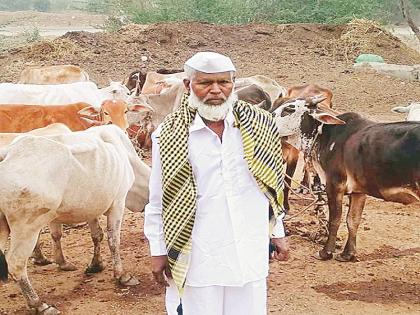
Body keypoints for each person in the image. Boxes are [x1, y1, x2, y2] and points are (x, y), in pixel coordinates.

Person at [144, 51, 289, 315]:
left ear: (234, 84)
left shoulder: (261, 125)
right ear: (188, 86)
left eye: (224, 82)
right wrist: (158, 249)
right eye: (205, 83)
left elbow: (270, 188)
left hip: (249, 247)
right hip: (198, 252)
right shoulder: (168, 133)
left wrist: (278, 232)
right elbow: (158, 198)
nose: (216, 90)